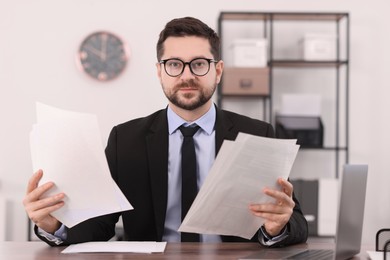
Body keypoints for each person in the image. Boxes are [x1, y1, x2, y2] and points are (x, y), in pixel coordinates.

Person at [23, 17, 308, 247]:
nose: (186, 75)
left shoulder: (258, 133)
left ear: (218, 71)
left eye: (199, 64)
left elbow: (295, 221)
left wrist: (277, 226)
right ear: (160, 71)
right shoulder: (125, 140)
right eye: (174, 64)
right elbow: (100, 224)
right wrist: (53, 225)